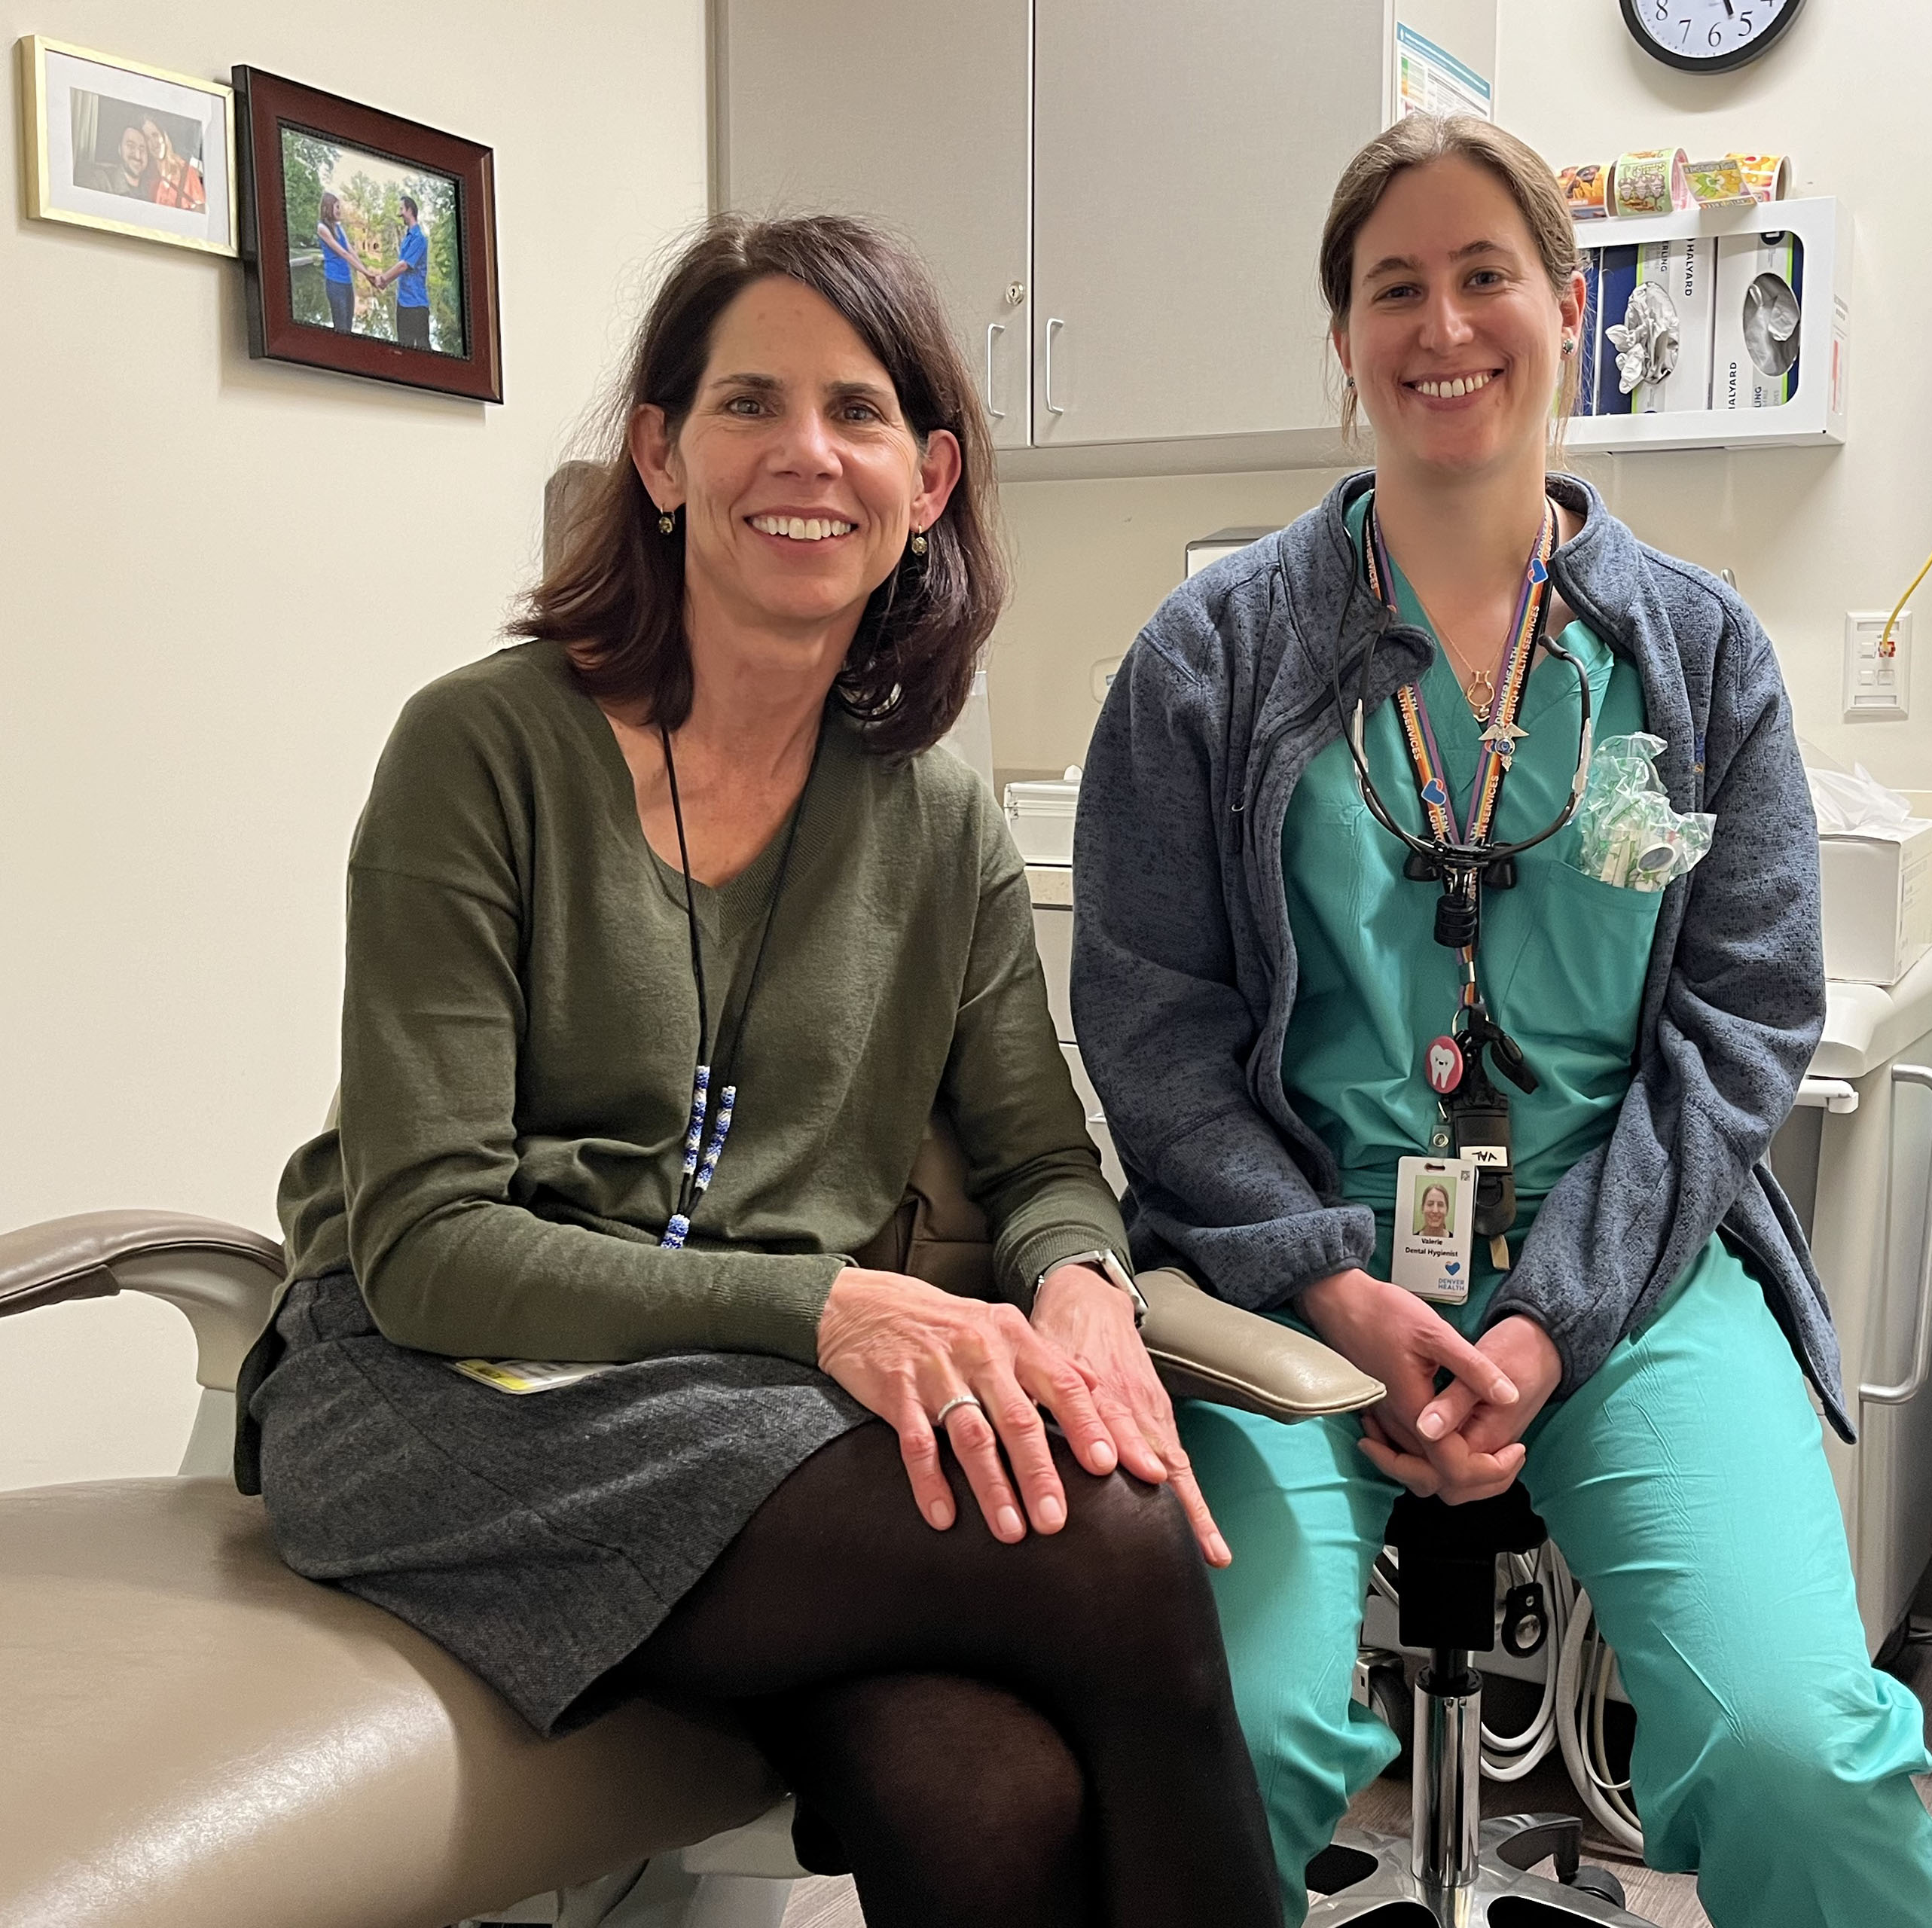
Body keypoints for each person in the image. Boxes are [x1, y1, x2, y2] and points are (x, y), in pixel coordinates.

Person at [244, 212, 1277, 1928]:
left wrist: (1086, 1284)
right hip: (442, 1404)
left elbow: (1037, 1152)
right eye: (748, 404)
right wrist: (824, 1307)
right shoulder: (481, 749)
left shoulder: (935, 812)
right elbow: (424, 1242)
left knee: (985, 1788)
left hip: (739, 1414)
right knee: (1113, 1538)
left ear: (928, 479)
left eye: (860, 412)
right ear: (658, 453)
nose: (808, 454)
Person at [1072, 114, 1932, 1927]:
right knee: (1216, 1725)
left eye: (1485, 272)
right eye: (1390, 285)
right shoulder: (1210, 657)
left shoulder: (1695, 656)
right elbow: (1149, 1025)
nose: (1442, 322)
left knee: (1802, 1740)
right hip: (1287, 1279)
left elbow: (1737, 1026)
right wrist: (1332, 1274)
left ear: (1568, 303)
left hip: (1628, 1267)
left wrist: (1553, 1316)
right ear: (1339, 338)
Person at [371, 190, 431, 349]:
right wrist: (385, 283)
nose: (400, 214)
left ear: (410, 210)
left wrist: (383, 278)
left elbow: (404, 265)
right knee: (404, 348)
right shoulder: (407, 239)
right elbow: (401, 269)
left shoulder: (419, 239)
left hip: (417, 306)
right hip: (403, 303)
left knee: (422, 352)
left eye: (401, 210)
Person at [313, 191, 363, 335]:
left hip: (347, 282)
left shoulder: (339, 228)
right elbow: (343, 253)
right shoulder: (322, 228)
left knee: (348, 325)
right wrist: (366, 273)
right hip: (335, 284)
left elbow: (351, 250)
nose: (339, 210)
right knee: (341, 327)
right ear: (328, 208)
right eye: (337, 207)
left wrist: (366, 273)